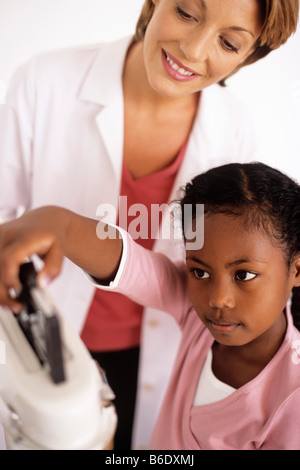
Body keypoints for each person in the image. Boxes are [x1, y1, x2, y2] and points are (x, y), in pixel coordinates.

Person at [0, 0, 299, 449]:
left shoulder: (232, 130)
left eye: (228, 41)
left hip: (147, 361)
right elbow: (151, 270)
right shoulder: (45, 82)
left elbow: (205, 266)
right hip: (38, 334)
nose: (193, 49)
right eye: (186, 12)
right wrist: (54, 225)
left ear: (250, 54)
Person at [0, 161, 300, 450]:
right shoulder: (195, 314)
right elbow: (128, 263)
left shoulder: (292, 398)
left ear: (296, 270)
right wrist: (59, 224)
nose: (218, 298)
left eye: (244, 275)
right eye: (200, 271)